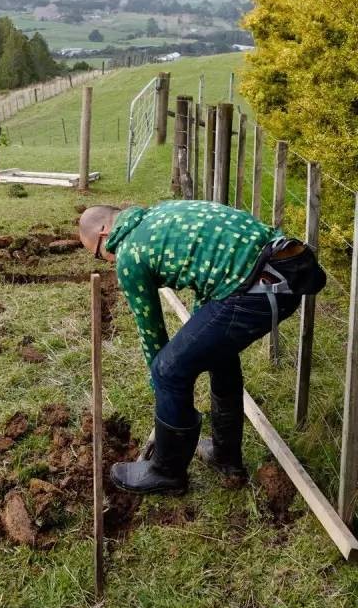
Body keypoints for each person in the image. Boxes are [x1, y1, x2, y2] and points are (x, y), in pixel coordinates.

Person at [79, 200, 326, 495]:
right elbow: (209, 277)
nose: (106, 260)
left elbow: (152, 332)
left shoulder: (129, 253)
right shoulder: (162, 215)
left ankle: (166, 472)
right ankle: (226, 457)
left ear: (105, 232)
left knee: (168, 370)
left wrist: (161, 386)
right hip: (286, 268)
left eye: (98, 253)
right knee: (218, 355)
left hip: (257, 288)